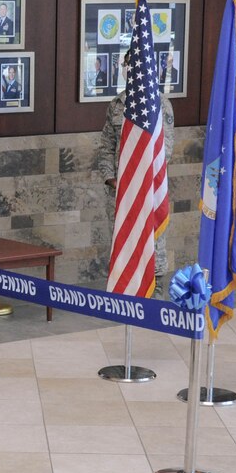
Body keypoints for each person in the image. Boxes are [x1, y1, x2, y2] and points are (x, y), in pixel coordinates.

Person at [96, 51, 175, 295]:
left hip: (149, 190)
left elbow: (166, 149)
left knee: (153, 244)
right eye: (126, 65)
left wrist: (140, 179)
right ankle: (124, 297)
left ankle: (156, 293)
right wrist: (112, 178)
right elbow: (106, 146)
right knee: (124, 243)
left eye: (134, 65)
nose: (129, 70)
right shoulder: (117, 104)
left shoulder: (160, 103)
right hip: (121, 192)